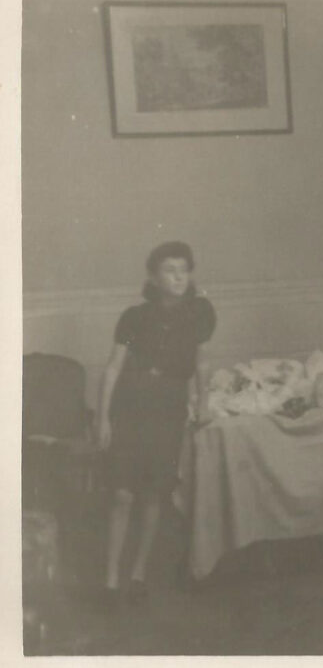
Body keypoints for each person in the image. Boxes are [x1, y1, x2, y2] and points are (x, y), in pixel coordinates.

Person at [96, 241, 215, 606]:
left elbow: (202, 363)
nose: (179, 277)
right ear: (154, 277)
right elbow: (113, 368)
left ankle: (138, 575)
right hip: (132, 406)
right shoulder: (134, 316)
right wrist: (103, 418)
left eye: (184, 270)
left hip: (169, 408)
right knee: (122, 494)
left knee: (153, 493)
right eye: (169, 270)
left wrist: (203, 402)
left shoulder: (199, 313)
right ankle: (110, 580)